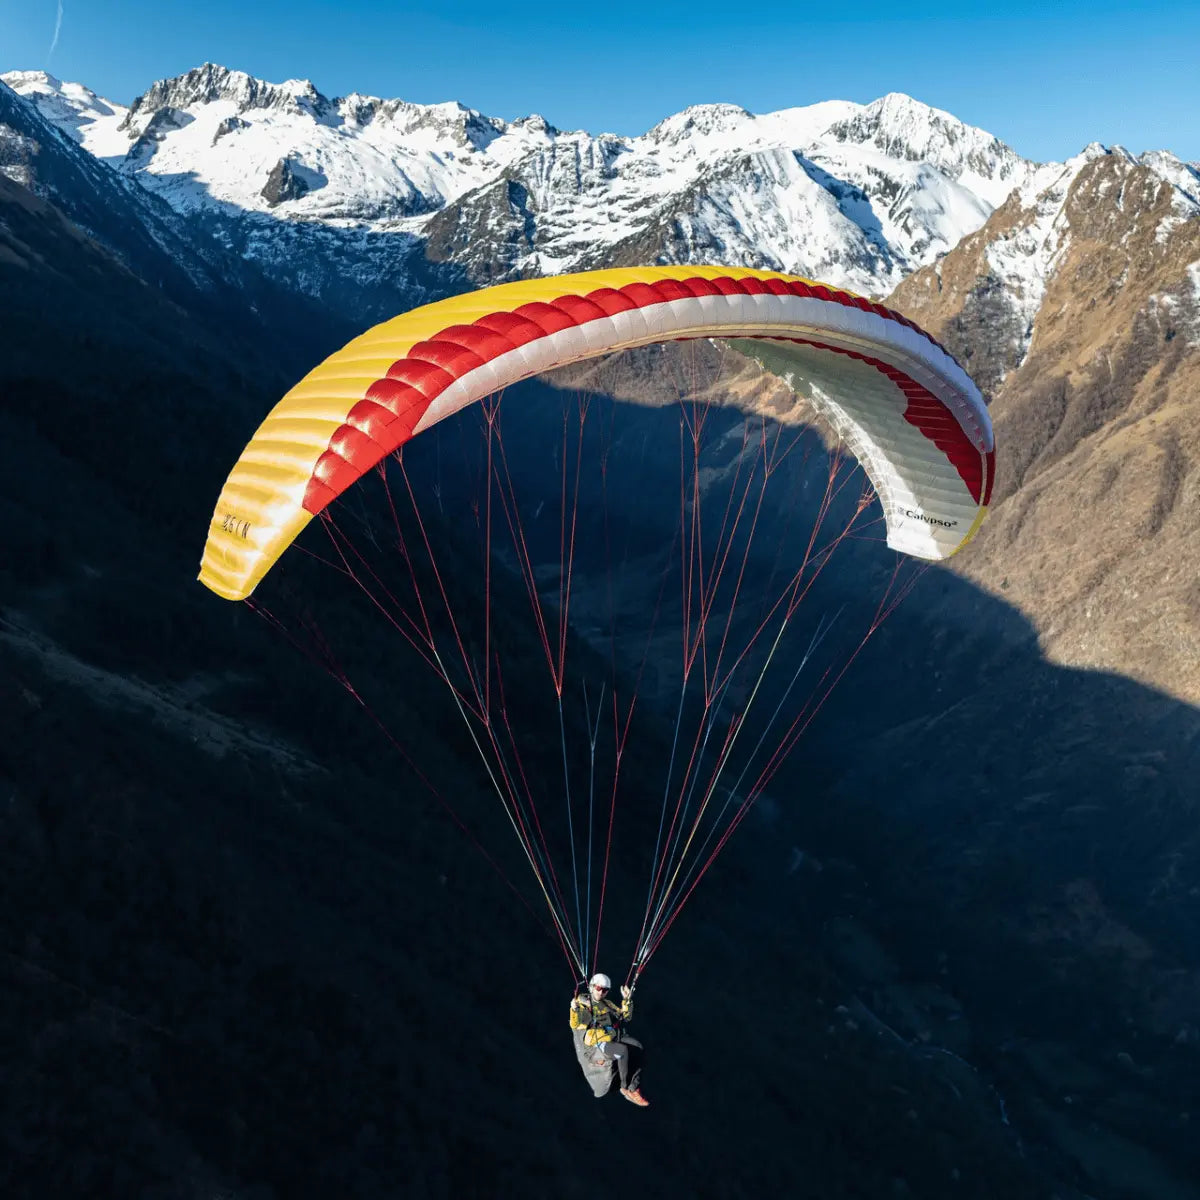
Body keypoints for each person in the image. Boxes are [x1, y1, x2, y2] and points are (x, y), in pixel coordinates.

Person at [569, 972, 648, 1106]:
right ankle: (626, 1088)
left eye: (605, 990)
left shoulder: (607, 1004)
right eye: (598, 988)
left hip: (611, 1036)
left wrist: (627, 1000)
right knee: (622, 1051)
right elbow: (575, 1024)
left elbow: (625, 1017)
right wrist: (574, 1009)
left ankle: (633, 1085)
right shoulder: (582, 1004)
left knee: (638, 1046)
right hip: (596, 1043)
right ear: (592, 987)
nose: (601, 992)